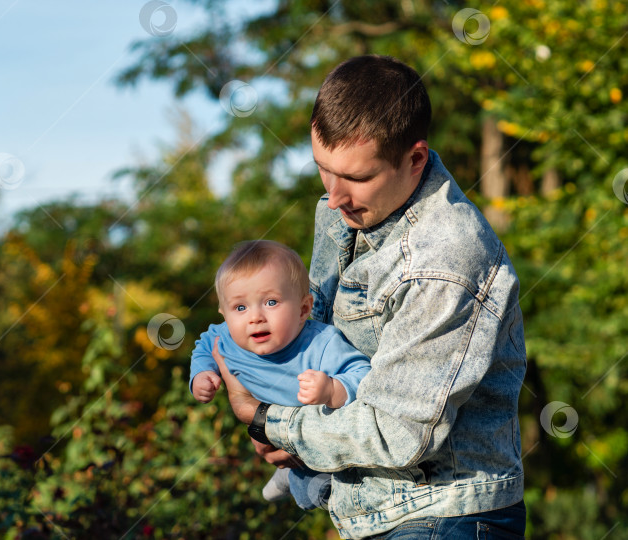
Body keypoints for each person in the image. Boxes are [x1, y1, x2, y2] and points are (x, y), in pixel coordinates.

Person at [212, 55, 528, 538]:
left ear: (415, 159)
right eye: (323, 169)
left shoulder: (444, 261)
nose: (334, 197)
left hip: (443, 514)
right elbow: (312, 332)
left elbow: (398, 432)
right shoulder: (343, 211)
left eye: (357, 178)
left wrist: (268, 422)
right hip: (371, 508)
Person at [190, 239, 371, 510]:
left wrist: (333, 389)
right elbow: (204, 344)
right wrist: (202, 373)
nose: (255, 317)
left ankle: (294, 477)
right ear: (224, 314)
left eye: (271, 302)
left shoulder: (321, 343)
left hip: (317, 436)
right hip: (270, 430)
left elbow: (362, 374)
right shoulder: (225, 337)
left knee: (318, 490)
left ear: (303, 309)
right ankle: (287, 473)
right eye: (240, 308)